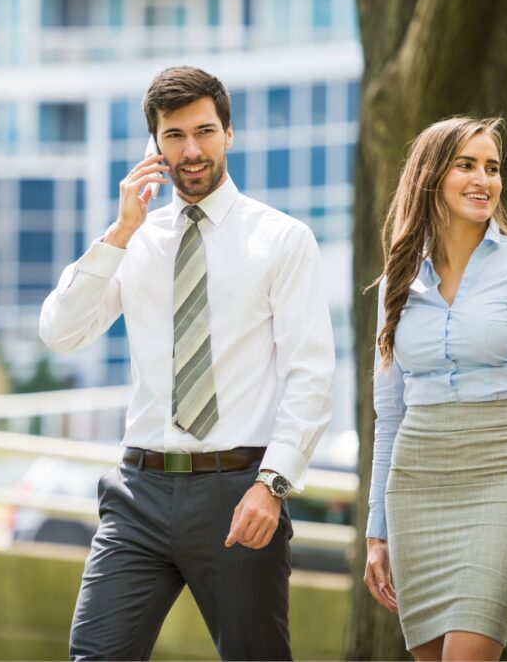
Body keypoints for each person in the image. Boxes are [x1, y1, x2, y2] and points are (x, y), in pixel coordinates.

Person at [40, 66, 336, 661]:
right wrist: (120, 231)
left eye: (204, 131)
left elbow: (311, 373)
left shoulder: (282, 240)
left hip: (239, 490)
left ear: (230, 132)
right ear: (155, 146)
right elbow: (61, 332)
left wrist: (273, 485)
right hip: (138, 493)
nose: (192, 150)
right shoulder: (135, 241)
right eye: (174, 136)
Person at [363, 116, 507, 661]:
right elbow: (388, 416)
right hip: (417, 484)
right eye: (466, 165)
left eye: (492, 168)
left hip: (506, 475)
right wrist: (376, 530)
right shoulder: (397, 279)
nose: (483, 179)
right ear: (431, 177)